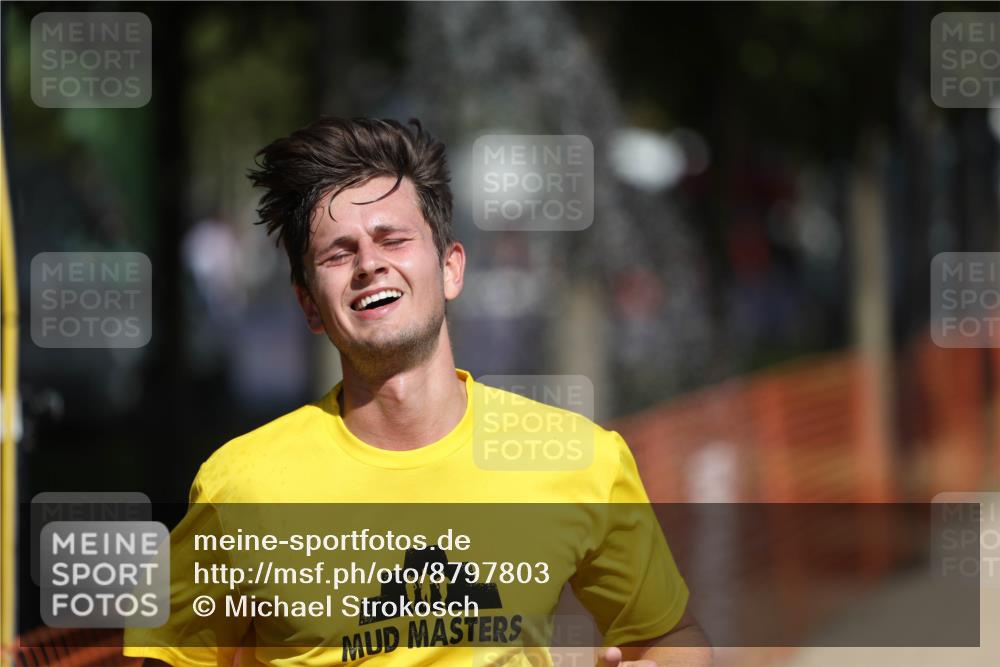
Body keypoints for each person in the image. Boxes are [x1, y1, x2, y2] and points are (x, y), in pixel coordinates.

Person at [124, 118, 711, 666]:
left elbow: (672, 636)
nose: (369, 265)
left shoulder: (579, 458)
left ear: (451, 268)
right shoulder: (239, 486)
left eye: (392, 238)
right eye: (338, 252)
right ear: (309, 306)